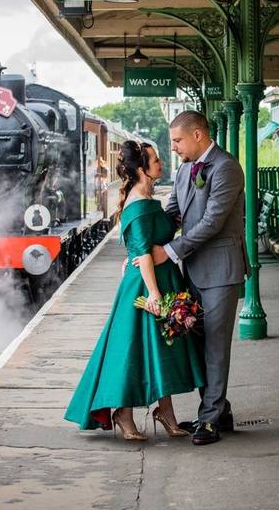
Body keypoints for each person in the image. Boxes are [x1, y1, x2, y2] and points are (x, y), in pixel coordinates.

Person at [65, 140, 207, 441]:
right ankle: (124, 414)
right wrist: (155, 296)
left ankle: (164, 413)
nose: (161, 163)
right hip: (147, 285)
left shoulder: (146, 198)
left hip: (160, 279)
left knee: (158, 349)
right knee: (136, 350)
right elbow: (142, 255)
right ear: (142, 168)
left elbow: (146, 242)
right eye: (155, 160)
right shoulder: (139, 205)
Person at [143, 110, 248, 446]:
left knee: (215, 347)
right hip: (194, 271)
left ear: (198, 135)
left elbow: (212, 222)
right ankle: (219, 411)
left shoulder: (227, 167)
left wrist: (169, 251)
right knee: (199, 343)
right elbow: (174, 211)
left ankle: (209, 419)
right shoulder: (187, 169)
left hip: (220, 271)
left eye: (177, 140)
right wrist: (144, 241)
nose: (172, 147)